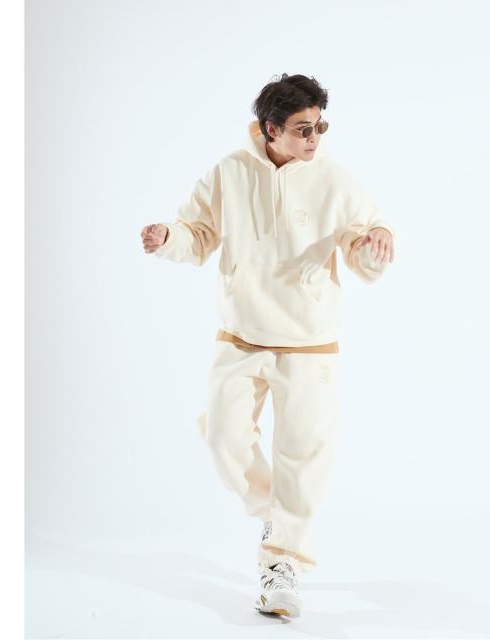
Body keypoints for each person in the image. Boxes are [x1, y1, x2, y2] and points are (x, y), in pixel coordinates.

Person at [140, 73, 395, 618]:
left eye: (320, 126)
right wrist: (168, 238)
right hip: (241, 335)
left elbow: (364, 236)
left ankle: (282, 564)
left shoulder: (335, 181)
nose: (314, 138)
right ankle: (279, 517)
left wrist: (376, 244)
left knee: (302, 455)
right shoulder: (230, 172)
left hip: (309, 343)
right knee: (223, 438)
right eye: (303, 128)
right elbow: (197, 232)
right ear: (270, 128)